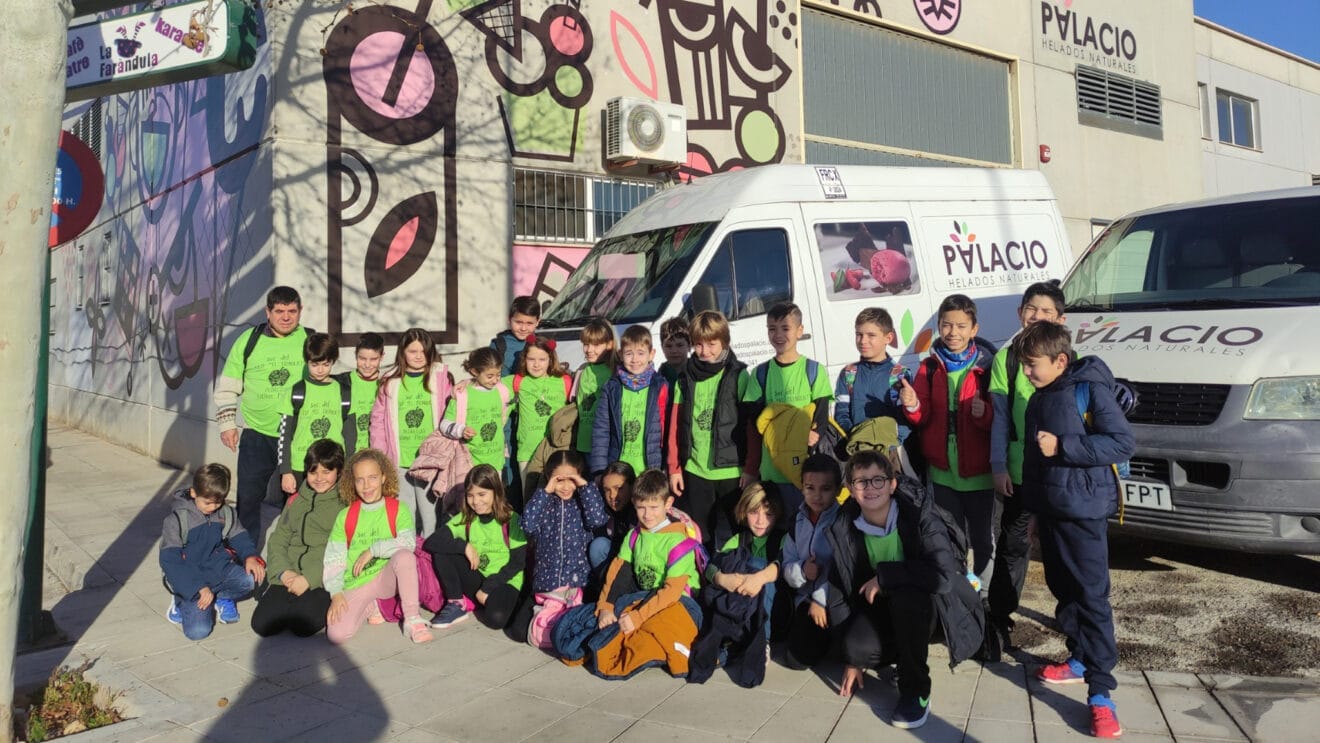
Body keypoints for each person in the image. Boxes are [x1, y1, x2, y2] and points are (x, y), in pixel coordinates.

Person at [1015, 321, 1134, 739]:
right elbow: (1034, 460)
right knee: (1062, 587)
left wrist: (1063, 445)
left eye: (1032, 365)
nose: (1026, 373)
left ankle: (1101, 694)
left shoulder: (1089, 388)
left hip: (1083, 511)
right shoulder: (1039, 397)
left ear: (1060, 360)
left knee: (1091, 596)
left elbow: (1122, 443)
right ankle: (1079, 657)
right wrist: (1033, 511)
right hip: (1050, 510)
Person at [827, 449, 982, 730]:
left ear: (892, 484)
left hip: (932, 608)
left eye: (878, 480)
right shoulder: (843, 525)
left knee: (905, 596)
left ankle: (916, 691)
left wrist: (885, 576)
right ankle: (901, 655)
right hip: (882, 610)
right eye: (861, 482)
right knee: (856, 645)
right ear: (850, 488)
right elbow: (838, 590)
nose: (870, 488)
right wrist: (851, 658)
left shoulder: (919, 514)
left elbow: (942, 576)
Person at [988, 281, 1067, 652]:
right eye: (1031, 309)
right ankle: (1000, 620)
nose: (1036, 316)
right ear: (1020, 313)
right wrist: (999, 465)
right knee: (1013, 546)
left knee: (1059, 551)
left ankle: (1071, 621)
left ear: (1060, 320)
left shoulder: (1070, 359)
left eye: (1046, 311)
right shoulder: (1006, 358)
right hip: (1019, 473)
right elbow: (1000, 418)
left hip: (1057, 475)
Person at [899, 294, 996, 590]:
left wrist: (984, 413)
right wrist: (913, 404)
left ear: (974, 329)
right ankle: (957, 592)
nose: (953, 332)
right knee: (950, 537)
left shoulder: (988, 366)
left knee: (982, 539)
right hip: (942, 472)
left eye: (961, 325)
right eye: (946, 325)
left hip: (979, 473)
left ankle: (984, 595)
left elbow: (999, 419)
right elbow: (921, 417)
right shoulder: (928, 368)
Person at [577, 469, 704, 678]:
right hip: (644, 595)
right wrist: (606, 607)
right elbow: (618, 573)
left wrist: (637, 617)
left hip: (678, 601)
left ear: (668, 504)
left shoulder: (679, 541)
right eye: (641, 508)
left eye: (654, 507)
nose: (647, 515)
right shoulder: (634, 535)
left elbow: (671, 592)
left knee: (655, 630)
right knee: (603, 622)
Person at [214, 286, 311, 539]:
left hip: (299, 436)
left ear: (300, 312)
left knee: (299, 501)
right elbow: (228, 386)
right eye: (279, 311)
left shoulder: (311, 340)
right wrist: (227, 424)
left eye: (292, 311)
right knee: (248, 499)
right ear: (268, 312)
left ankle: (296, 556)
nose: (286, 317)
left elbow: (329, 379)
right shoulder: (249, 340)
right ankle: (245, 557)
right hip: (258, 434)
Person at [324, 448, 430, 644]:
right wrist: (336, 592)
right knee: (336, 635)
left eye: (372, 478)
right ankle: (373, 605)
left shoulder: (397, 509)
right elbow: (334, 557)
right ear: (352, 482)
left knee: (405, 556)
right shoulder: (345, 516)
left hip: (386, 579)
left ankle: (413, 619)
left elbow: (408, 542)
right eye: (360, 480)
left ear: (383, 477)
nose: (366, 486)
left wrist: (372, 551)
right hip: (356, 583)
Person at [667, 310, 752, 552]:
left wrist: (750, 468)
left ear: (724, 341)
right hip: (696, 470)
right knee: (698, 536)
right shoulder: (684, 377)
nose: (704, 351)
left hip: (731, 472)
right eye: (698, 345)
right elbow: (674, 426)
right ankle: (702, 584)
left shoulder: (739, 375)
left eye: (712, 344)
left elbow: (750, 427)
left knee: (733, 537)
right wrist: (674, 468)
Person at [689, 481, 785, 687]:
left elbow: (783, 566)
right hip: (740, 601)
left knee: (758, 566)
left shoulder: (782, 539)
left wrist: (758, 578)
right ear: (744, 512)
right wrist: (723, 579)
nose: (760, 521)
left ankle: (763, 640)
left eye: (768, 514)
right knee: (734, 565)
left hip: (773, 606)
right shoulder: (738, 538)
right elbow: (711, 567)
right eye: (754, 513)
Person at [743, 302, 833, 519]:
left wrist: (811, 432)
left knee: (808, 526)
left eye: (785, 328)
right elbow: (754, 420)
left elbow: (820, 417)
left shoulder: (814, 370)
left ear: (799, 331)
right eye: (772, 329)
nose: (778, 335)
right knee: (779, 529)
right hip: (772, 472)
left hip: (806, 475)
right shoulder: (760, 373)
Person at [160, 464, 265, 640]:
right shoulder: (176, 520)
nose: (213, 507)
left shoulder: (225, 513)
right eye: (207, 502)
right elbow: (169, 561)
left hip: (218, 569)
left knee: (252, 578)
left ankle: (222, 597)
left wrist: (250, 556)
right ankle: (180, 601)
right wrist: (198, 588)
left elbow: (238, 534)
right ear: (193, 493)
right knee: (198, 631)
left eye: (218, 502)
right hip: (190, 578)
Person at [253, 440, 344, 637]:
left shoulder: (343, 505)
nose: (319, 478)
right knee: (262, 625)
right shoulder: (296, 500)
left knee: (304, 625)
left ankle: (311, 601)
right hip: (289, 571)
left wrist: (309, 578)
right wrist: (283, 573)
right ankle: (276, 591)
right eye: (313, 472)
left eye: (326, 472)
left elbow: (340, 551)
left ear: (338, 471)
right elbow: (279, 538)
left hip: (319, 576)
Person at [369, 328, 453, 538]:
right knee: (404, 519)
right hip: (399, 462)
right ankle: (408, 562)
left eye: (423, 351)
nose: (418, 356)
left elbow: (453, 413)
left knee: (430, 520)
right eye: (412, 351)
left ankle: (429, 564)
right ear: (402, 352)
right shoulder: (389, 381)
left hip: (429, 463)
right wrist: (380, 456)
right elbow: (377, 421)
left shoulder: (441, 377)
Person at [425, 464, 529, 634]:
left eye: (482, 494)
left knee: (496, 619)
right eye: (470, 495)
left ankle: (502, 602)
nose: (476, 501)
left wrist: (488, 587)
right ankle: (456, 603)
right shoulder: (466, 517)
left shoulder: (511, 519)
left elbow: (518, 563)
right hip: (477, 575)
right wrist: (464, 546)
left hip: (505, 580)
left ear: (496, 492)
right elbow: (432, 541)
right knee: (442, 548)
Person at [780, 453, 843, 669]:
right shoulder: (796, 521)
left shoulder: (843, 522)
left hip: (835, 599)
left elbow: (846, 570)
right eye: (810, 488)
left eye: (825, 489)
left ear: (838, 490)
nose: (817, 496)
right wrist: (803, 571)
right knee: (796, 660)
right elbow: (787, 564)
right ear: (802, 488)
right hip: (804, 598)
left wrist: (820, 598)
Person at [521, 450, 609, 601]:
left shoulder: (583, 501)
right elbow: (527, 525)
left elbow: (597, 520)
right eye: (559, 480)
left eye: (572, 479)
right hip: (547, 583)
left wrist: (584, 487)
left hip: (579, 582)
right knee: (525, 624)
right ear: (549, 478)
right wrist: (545, 492)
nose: (566, 487)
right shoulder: (544, 502)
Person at [276, 333, 355, 500]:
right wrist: (286, 471)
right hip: (300, 467)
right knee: (295, 515)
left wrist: (347, 468)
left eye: (326, 364)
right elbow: (284, 435)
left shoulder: (344, 392)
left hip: (333, 467)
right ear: (307, 362)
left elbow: (350, 436)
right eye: (314, 364)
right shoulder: (296, 392)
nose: (320, 370)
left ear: (333, 361)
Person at [589, 325, 669, 478]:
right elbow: (601, 431)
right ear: (620, 354)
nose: (635, 360)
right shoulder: (612, 388)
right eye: (629, 353)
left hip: (650, 468)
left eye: (640, 353)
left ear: (651, 354)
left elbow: (667, 430)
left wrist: (666, 467)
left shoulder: (660, 387)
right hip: (618, 468)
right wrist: (599, 470)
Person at [505, 337, 572, 508]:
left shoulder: (564, 381)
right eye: (531, 359)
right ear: (524, 359)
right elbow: (487, 383)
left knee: (558, 504)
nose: (536, 364)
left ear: (550, 359)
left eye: (542, 359)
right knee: (531, 503)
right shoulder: (517, 381)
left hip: (556, 452)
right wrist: (465, 383)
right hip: (527, 453)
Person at [833, 307, 912, 443]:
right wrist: (855, 439)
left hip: (888, 451)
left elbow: (905, 419)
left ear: (888, 338)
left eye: (871, 335)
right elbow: (841, 413)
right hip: (857, 450)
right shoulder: (848, 373)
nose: (863, 341)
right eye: (859, 334)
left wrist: (890, 444)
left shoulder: (900, 374)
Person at [441, 347, 513, 471]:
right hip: (469, 463)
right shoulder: (462, 394)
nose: (495, 380)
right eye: (490, 376)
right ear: (474, 371)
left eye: (498, 375)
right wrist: (461, 430)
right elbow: (444, 424)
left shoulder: (503, 390)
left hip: (496, 462)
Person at [588, 461, 637, 592]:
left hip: (640, 563)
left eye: (619, 488)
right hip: (619, 562)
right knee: (598, 546)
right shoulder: (604, 511)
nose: (612, 496)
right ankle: (610, 591)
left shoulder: (642, 511)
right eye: (607, 490)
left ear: (632, 486)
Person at [572, 318, 616, 457]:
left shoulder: (613, 372)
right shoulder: (583, 370)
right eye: (586, 344)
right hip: (583, 443)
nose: (589, 350)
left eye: (596, 345)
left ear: (609, 345)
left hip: (603, 445)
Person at [346, 332, 385, 455]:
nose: (367, 365)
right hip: (348, 456)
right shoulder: (343, 383)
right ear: (355, 355)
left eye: (373, 359)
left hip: (378, 454)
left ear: (382, 357)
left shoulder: (387, 384)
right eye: (362, 358)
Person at [491, 295, 541, 376]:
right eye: (518, 322)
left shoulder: (542, 344)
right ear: (509, 320)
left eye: (529, 323)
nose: (523, 328)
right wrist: (470, 381)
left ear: (538, 322)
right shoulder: (498, 345)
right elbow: (485, 374)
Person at [657, 316, 690, 386]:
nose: (674, 351)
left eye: (679, 345)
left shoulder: (699, 374)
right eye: (669, 346)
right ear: (662, 348)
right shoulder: (658, 378)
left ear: (689, 346)